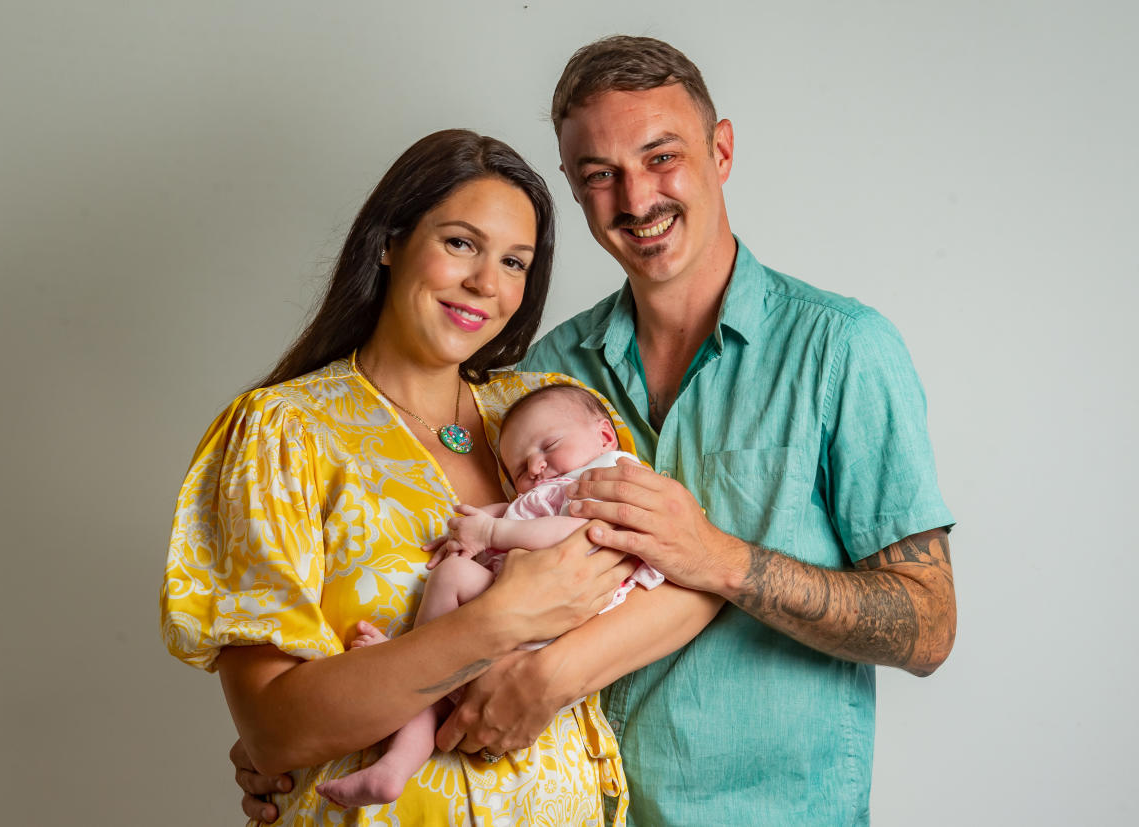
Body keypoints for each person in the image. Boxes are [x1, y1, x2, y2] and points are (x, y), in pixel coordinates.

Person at [235, 36, 957, 826]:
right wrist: (303, 733)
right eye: (599, 175)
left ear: (721, 152)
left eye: (661, 156)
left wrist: (716, 557)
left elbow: (927, 625)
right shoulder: (547, 377)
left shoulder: (841, 352)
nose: (637, 198)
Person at [162, 128, 715, 826]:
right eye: (461, 244)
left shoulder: (551, 414)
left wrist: (548, 678)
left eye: (515, 262)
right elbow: (274, 729)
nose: (488, 283)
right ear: (389, 242)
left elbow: (691, 581)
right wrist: (497, 621)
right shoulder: (282, 431)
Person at [314, 384, 662, 810]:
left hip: (564, 633)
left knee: (454, 580)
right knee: (450, 598)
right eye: (518, 467)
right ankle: (397, 764)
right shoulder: (549, 491)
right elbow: (517, 511)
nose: (535, 467)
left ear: (605, 437)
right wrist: (473, 527)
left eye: (549, 446)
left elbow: (582, 533)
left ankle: (409, 660)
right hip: (516, 632)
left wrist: (494, 533)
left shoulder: (612, 475)